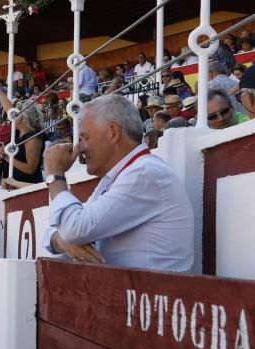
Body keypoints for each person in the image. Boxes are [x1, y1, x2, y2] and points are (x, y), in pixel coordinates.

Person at [41, 94, 195, 271]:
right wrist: (62, 241)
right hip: (135, 292)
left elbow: (74, 228)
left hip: (149, 294)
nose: (80, 147)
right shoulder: (126, 174)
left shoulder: (144, 173)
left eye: (85, 137)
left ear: (113, 133)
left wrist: (55, 174)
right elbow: (60, 233)